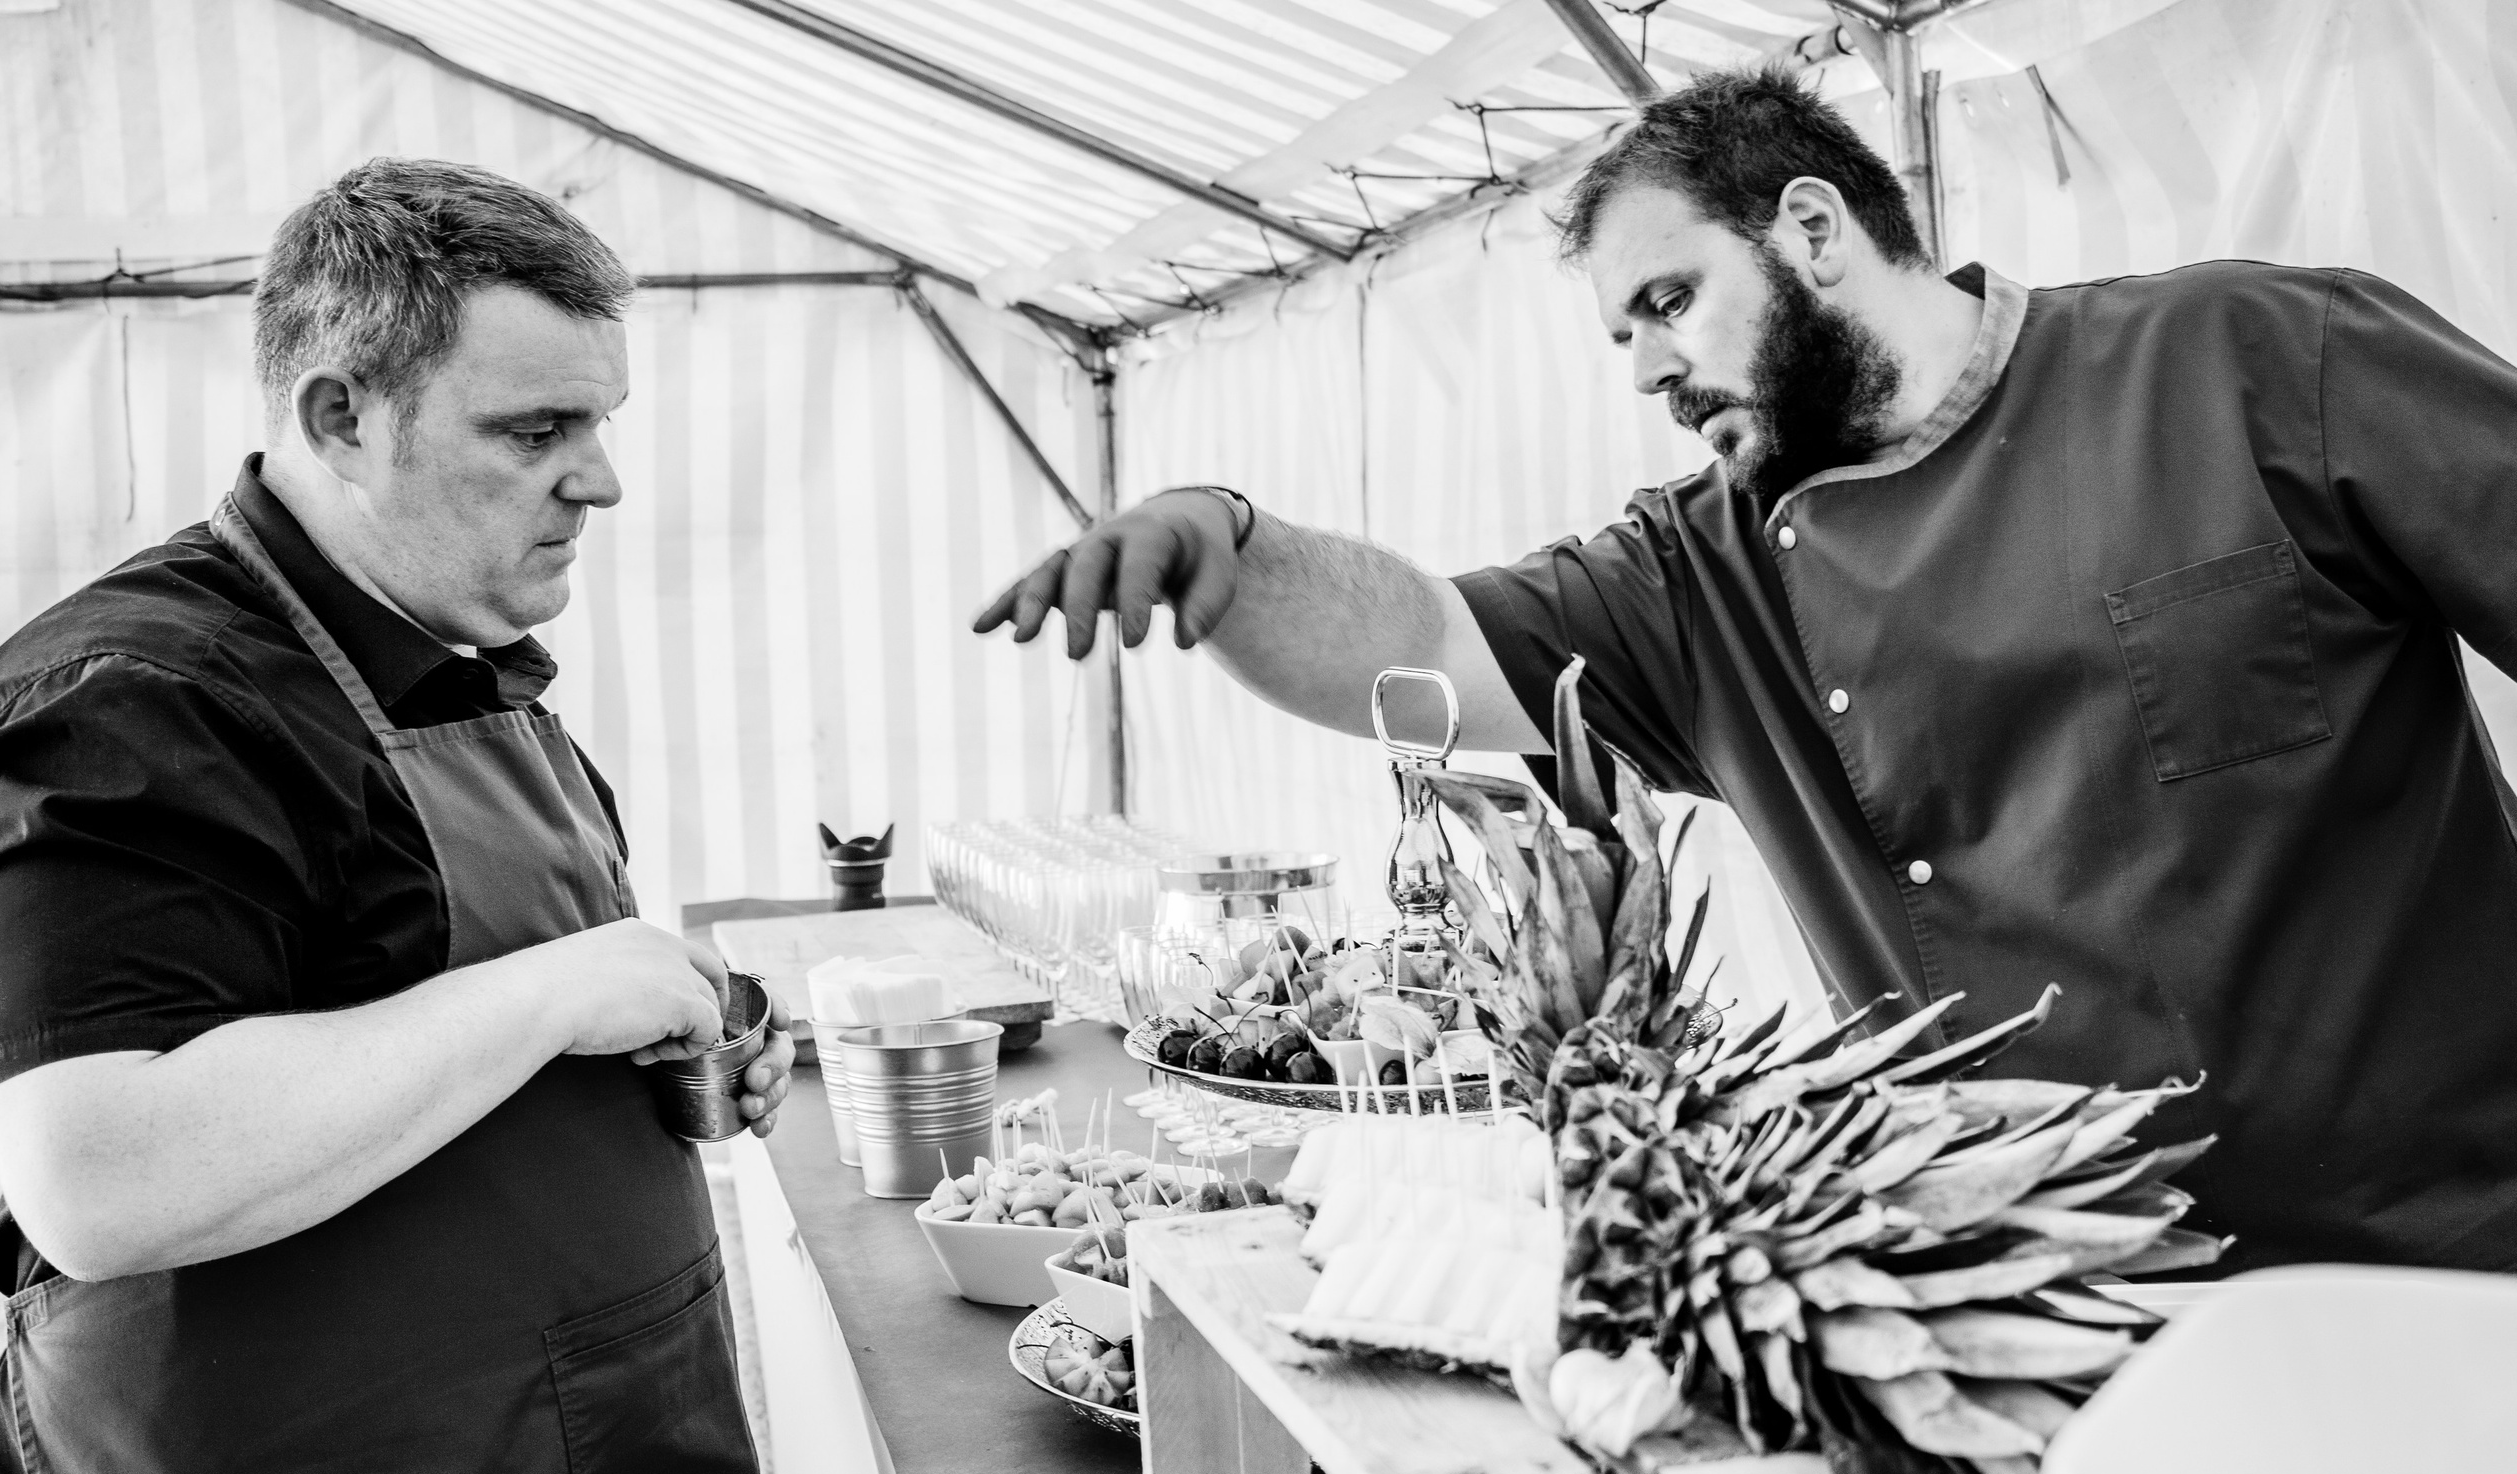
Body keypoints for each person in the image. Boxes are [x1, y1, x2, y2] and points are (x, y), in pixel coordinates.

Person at [975, 67, 2517, 1275]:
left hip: (2438, 1276)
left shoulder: (2257, 360)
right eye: (1621, 336)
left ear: (1815, 231)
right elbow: (1424, 646)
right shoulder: (1695, 578)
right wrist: (1232, 548)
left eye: (1669, 301)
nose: (1647, 369)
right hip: (2036, 1321)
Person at [0, 160, 798, 1474]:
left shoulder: (453, 653)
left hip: (603, 1465)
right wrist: (555, 998)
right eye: (537, 433)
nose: (599, 480)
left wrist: (677, 1032)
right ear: (343, 416)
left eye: (602, 423)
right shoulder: (136, 703)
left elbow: (446, 999)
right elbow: (98, 1173)